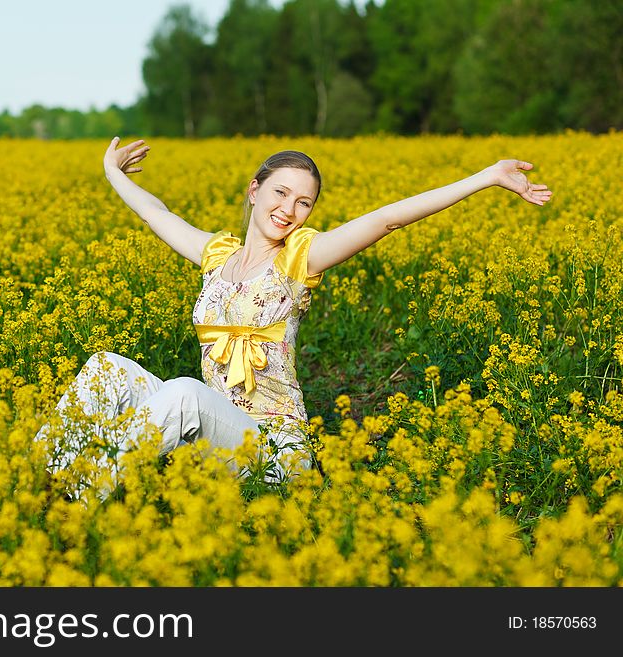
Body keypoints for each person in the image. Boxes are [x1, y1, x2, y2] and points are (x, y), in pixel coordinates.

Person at [34, 136, 552, 497]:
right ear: (254, 190)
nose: (290, 209)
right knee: (107, 366)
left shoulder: (298, 260)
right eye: (281, 192)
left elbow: (388, 218)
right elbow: (158, 213)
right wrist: (110, 172)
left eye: (304, 203)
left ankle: (75, 498)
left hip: (272, 449)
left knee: (186, 392)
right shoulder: (217, 257)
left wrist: (486, 178)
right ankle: (33, 476)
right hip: (211, 432)